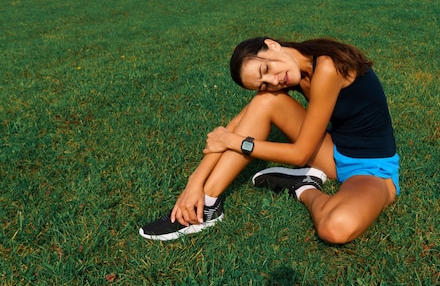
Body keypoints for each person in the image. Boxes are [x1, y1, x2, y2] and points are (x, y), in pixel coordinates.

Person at [139, 37, 400, 244]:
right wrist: (194, 182)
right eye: (263, 83)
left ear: (273, 45)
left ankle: (304, 187)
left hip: (371, 170)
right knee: (263, 104)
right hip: (333, 152)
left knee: (335, 228)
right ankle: (207, 204)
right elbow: (233, 127)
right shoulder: (296, 71)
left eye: (266, 69)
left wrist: (237, 143)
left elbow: (298, 154)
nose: (273, 81)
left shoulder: (327, 67)